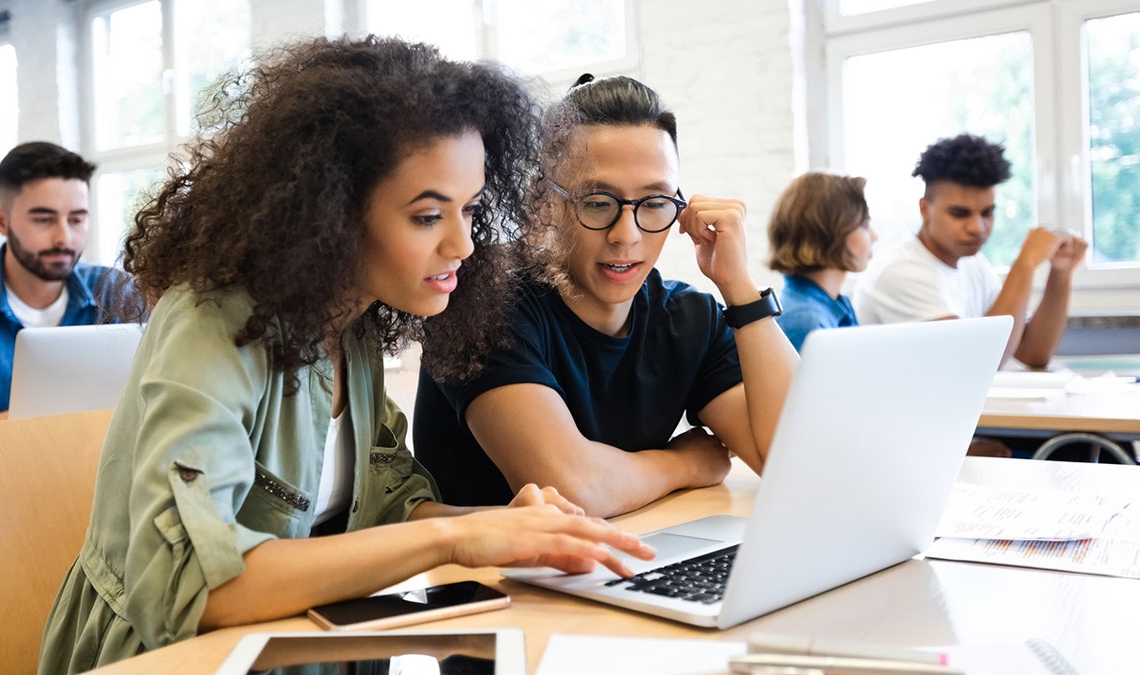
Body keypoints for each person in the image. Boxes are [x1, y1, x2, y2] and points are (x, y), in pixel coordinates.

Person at [38, 37, 654, 674]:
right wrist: (459, 538)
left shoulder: (352, 321)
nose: (464, 245)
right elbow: (195, 585)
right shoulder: (212, 322)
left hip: (310, 650)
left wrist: (503, 525)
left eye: (469, 210)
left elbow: (388, 502)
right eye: (426, 216)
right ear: (330, 211)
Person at [412, 74, 800, 518]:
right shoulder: (481, 304)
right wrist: (684, 463)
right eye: (597, 202)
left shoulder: (688, 318)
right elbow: (573, 490)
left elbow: (796, 461)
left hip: (628, 562)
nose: (626, 235)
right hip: (488, 582)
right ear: (543, 203)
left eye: (654, 202)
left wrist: (739, 288)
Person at [0, 141, 137, 426]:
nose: (64, 237)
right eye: (44, 219)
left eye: (77, 219)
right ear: (0, 222)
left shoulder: (116, 292)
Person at [853, 133, 1087, 369]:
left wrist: (1061, 274)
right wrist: (1025, 262)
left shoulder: (974, 264)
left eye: (987, 213)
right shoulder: (900, 272)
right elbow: (977, 363)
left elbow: (1031, 353)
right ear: (925, 209)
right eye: (959, 213)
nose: (978, 228)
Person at [766, 171, 876, 351]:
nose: (874, 236)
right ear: (833, 232)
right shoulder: (805, 320)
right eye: (864, 225)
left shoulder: (835, 305)